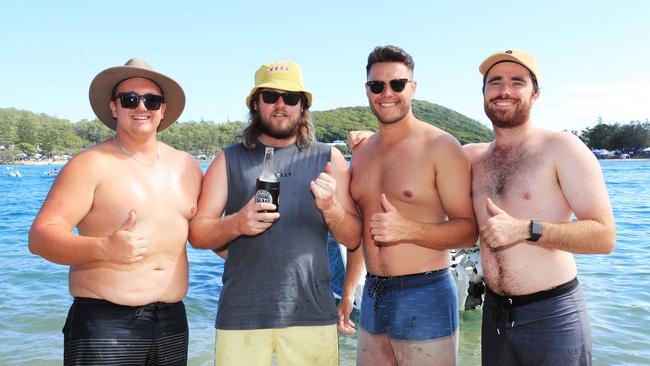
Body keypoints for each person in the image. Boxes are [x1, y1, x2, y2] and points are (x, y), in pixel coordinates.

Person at [29, 58, 202, 365]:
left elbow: (205, 231)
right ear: (114, 107)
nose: (141, 107)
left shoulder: (187, 166)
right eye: (130, 99)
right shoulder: (90, 164)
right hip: (105, 322)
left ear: (163, 109)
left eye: (151, 100)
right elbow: (41, 237)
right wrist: (104, 248)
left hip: (173, 321)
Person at [188, 61, 361, 366]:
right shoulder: (226, 160)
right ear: (256, 104)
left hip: (312, 316)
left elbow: (353, 237)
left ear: (303, 106)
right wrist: (237, 223)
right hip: (240, 317)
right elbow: (198, 234)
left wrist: (331, 208)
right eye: (270, 96)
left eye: (291, 97)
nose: (281, 105)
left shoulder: (329, 159)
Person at [463, 48, 616, 366]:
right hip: (495, 315)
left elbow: (604, 236)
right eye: (495, 82)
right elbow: (423, 154)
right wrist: (378, 139)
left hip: (552, 314)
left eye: (517, 81)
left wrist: (525, 229)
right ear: (484, 94)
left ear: (535, 95)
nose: (504, 90)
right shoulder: (473, 158)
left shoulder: (561, 147)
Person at [341, 45, 478, 366]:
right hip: (373, 294)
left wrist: (408, 229)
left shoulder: (440, 146)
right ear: (367, 91)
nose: (387, 93)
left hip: (425, 289)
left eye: (397, 84)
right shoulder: (361, 153)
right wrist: (349, 290)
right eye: (377, 86)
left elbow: (469, 230)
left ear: (412, 88)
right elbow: (361, 228)